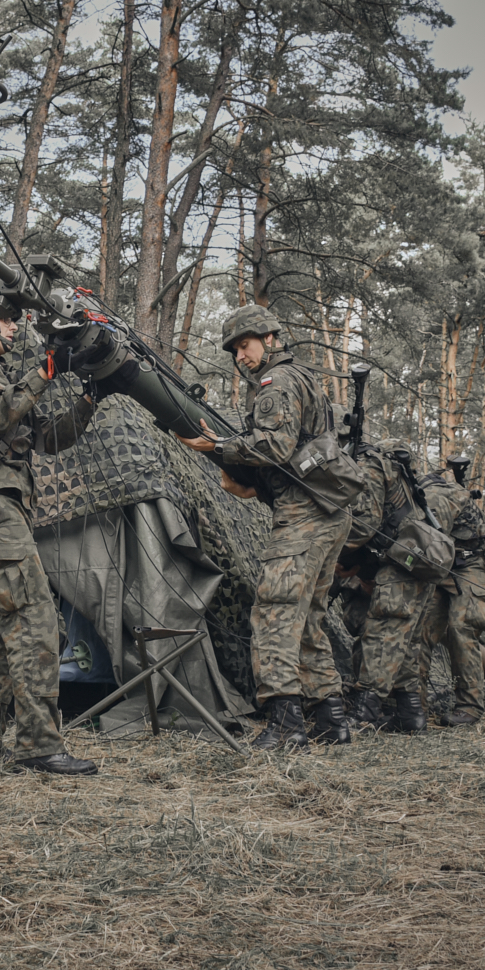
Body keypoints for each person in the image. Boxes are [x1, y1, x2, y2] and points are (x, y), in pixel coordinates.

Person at [175, 304, 364, 751]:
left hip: (304, 517)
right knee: (309, 619)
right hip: (326, 515)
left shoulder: (275, 382)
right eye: (234, 350)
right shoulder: (298, 377)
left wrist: (219, 445)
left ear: (270, 338)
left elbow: (275, 445)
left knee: (275, 612)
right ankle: (329, 719)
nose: (240, 355)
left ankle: (285, 725)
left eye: (246, 344)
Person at [0, 288, 101, 776]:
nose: (14, 328)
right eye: (7, 321)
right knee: (35, 622)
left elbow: (48, 438)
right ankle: (38, 746)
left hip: (0, 510)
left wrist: (90, 398)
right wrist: (48, 368)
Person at [340, 444, 431, 734]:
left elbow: (365, 525)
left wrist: (339, 555)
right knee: (402, 641)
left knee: (384, 632)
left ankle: (364, 712)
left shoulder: (369, 463)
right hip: (413, 561)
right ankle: (410, 714)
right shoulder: (397, 473)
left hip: (402, 563)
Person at [411, 451, 485, 727]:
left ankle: (469, 708)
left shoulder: (433, 494)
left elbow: (431, 536)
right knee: (421, 630)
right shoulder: (414, 492)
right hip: (443, 566)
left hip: (472, 565)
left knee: (462, 629)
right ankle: (415, 706)